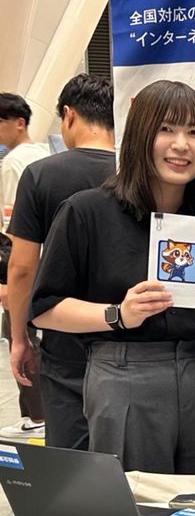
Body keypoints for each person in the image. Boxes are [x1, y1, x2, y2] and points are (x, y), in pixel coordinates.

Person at [29, 80, 195, 474]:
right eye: (166, 129)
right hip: (123, 376)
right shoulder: (87, 212)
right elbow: (45, 309)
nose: (182, 145)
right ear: (139, 135)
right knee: (136, 497)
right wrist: (118, 314)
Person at [6, 74, 114, 450]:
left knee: (72, 457)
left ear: (68, 115)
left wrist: (20, 338)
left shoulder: (41, 175)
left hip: (64, 340)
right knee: (129, 457)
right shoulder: (141, 173)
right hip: (131, 342)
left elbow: (22, 268)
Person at [0, 92, 50, 440]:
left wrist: (7, 282)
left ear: (19, 123)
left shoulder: (14, 164)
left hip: (24, 264)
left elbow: (12, 233)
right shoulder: (46, 155)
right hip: (51, 263)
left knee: (20, 336)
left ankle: (37, 416)